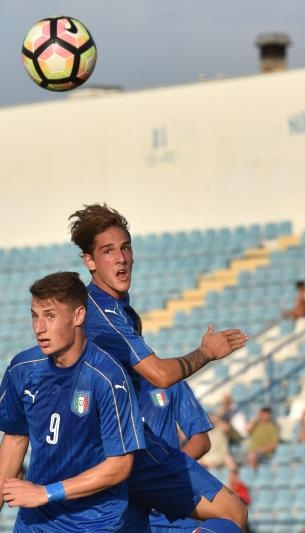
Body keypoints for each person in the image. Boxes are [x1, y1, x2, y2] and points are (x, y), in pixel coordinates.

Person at [69, 203, 249, 532]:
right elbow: (162, 374)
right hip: (126, 451)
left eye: (125, 247)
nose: (121, 258)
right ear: (90, 261)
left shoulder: (99, 310)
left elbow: (200, 438)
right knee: (232, 513)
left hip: (98, 453)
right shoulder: (104, 312)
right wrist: (205, 352)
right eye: (108, 251)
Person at [0, 272, 145, 532]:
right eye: (35, 316)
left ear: (79, 316)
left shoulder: (108, 377)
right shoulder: (22, 368)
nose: (39, 328)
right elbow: (14, 439)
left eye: (50, 315)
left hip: (94, 521)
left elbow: (119, 466)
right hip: (36, 520)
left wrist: (47, 492)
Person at [136, 379, 214, 532]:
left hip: (173, 511)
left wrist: (165, 475)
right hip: (124, 509)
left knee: (234, 514)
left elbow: (201, 441)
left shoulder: (168, 380)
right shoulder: (99, 384)